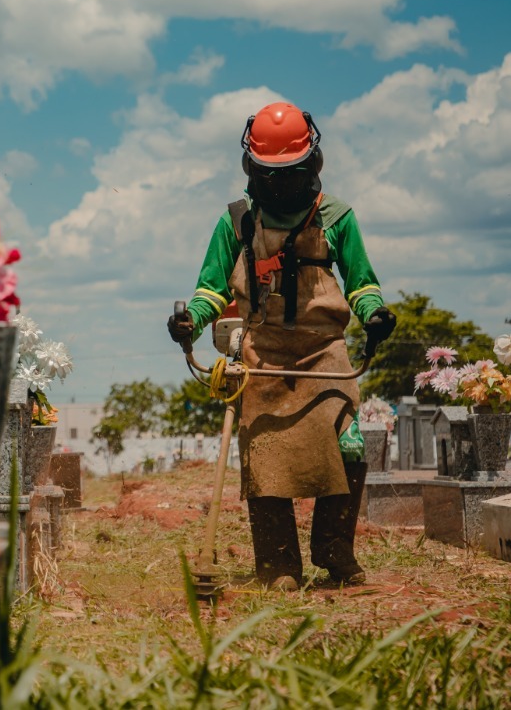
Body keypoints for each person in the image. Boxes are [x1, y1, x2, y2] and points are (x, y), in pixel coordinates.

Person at [167, 102, 396, 588]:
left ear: (311, 163)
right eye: (271, 174)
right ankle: (277, 567)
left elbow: (361, 283)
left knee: (349, 446)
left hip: (324, 351)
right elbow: (211, 289)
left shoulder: (336, 216)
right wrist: (192, 319)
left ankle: (337, 556)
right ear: (252, 167)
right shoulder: (236, 222)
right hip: (262, 353)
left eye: (288, 172)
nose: (279, 183)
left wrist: (375, 314)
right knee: (265, 458)